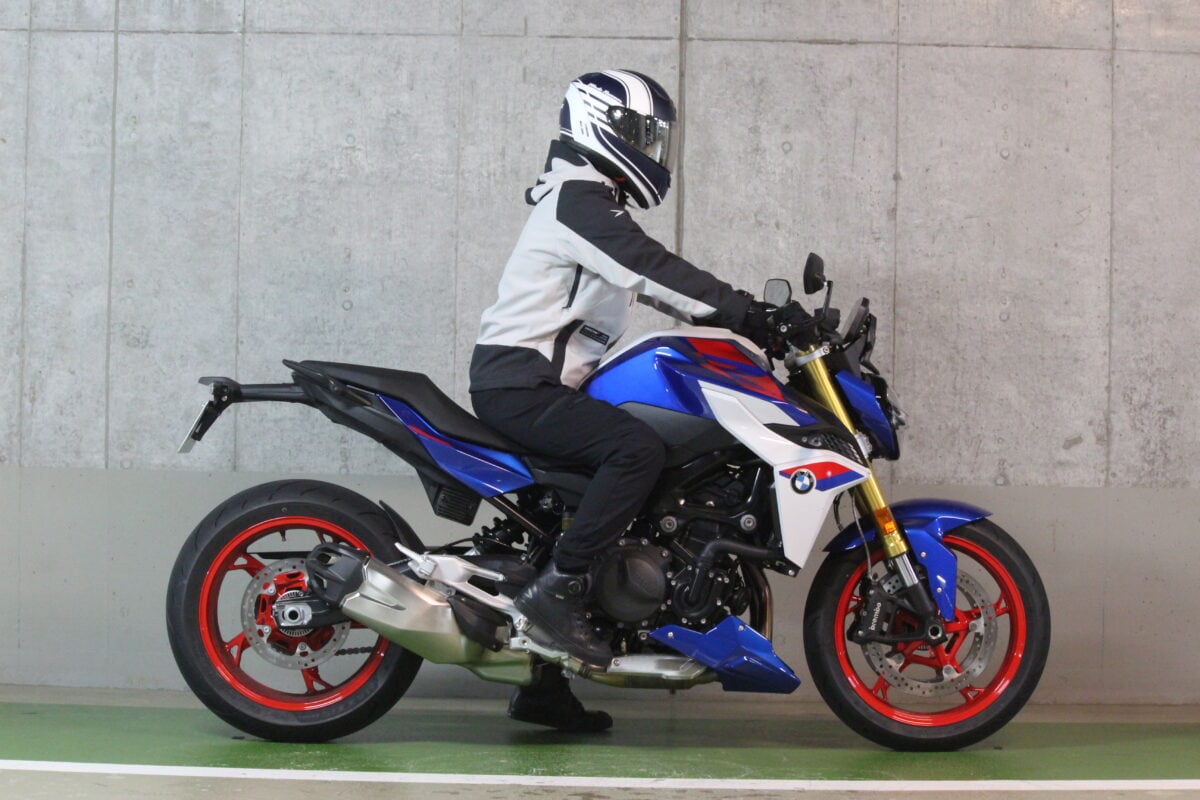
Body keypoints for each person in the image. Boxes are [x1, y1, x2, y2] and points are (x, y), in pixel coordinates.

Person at [469, 70, 809, 732]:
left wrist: (741, 326)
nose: (653, 152)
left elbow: (653, 284)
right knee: (635, 450)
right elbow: (655, 271)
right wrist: (752, 315)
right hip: (522, 384)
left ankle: (541, 686)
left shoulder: (589, 203)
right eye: (642, 136)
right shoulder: (578, 200)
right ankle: (557, 593)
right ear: (600, 126)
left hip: (540, 384)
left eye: (656, 139)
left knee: (592, 500)